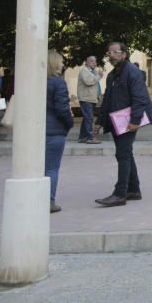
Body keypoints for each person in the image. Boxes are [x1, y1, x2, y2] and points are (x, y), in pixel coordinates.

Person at [93, 42, 152, 207]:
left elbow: (140, 98)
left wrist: (135, 121)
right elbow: (107, 100)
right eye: (109, 52)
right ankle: (134, 190)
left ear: (124, 54)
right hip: (116, 120)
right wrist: (99, 121)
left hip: (127, 122)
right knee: (125, 154)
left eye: (115, 52)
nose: (111, 55)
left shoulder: (132, 73)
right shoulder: (113, 75)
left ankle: (120, 194)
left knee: (123, 154)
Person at [45, 50, 73, 213]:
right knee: (52, 168)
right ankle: (48, 201)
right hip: (54, 130)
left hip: (35, 129)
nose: (63, 64)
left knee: (38, 167)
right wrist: (69, 124)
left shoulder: (34, 81)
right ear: (54, 63)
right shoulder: (58, 83)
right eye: (61, 61)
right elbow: (62, 109)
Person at [76, 55, 103, 143]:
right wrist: (99, 76)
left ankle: (82, 137)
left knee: (87, 118)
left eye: (95, 61)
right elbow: (88, 82)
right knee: (89, 118)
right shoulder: (84, 70)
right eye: (92, 61)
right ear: (86, 62)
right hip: (86, 98)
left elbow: (95, 85)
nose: (94, 63)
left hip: (91, 98)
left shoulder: (93, 71)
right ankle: (89, 138)